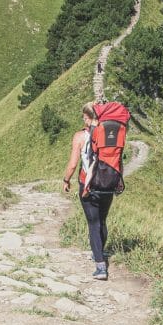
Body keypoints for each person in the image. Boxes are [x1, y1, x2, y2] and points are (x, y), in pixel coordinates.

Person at [62, 103, 113, 280]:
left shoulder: (80, 136)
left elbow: (73, 164)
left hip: (88, 183)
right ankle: (100, 251)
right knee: (102, 220)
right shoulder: (109, 133)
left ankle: (100, 266)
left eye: (84, 117)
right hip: (108, 184)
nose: (83, 120)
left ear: (89, 117)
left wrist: (66, 180)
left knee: (93, 223)